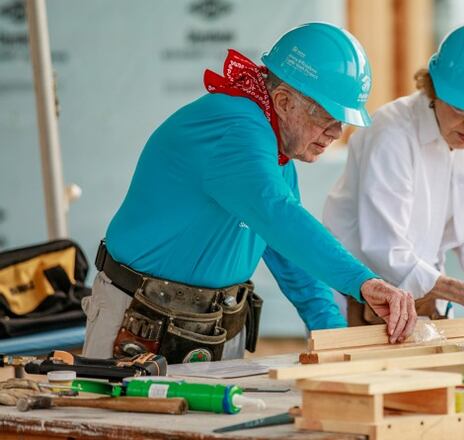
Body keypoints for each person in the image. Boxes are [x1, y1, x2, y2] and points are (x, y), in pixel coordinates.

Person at [82, 22, 417, 364]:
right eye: (328, 118)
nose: (336, 133)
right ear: (284, 101)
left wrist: (336, 340)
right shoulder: (237, 129)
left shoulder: (276, 154)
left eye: (343, 123)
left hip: (211, 324)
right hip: (141, 323)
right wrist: (362, 281)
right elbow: (280, 216)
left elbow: (292, 259)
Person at [323, 19, 464, 326]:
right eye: (463, 112)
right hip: (358, 301)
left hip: (420, 298)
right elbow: (385, 250)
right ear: (434, 89)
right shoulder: (392, 134)